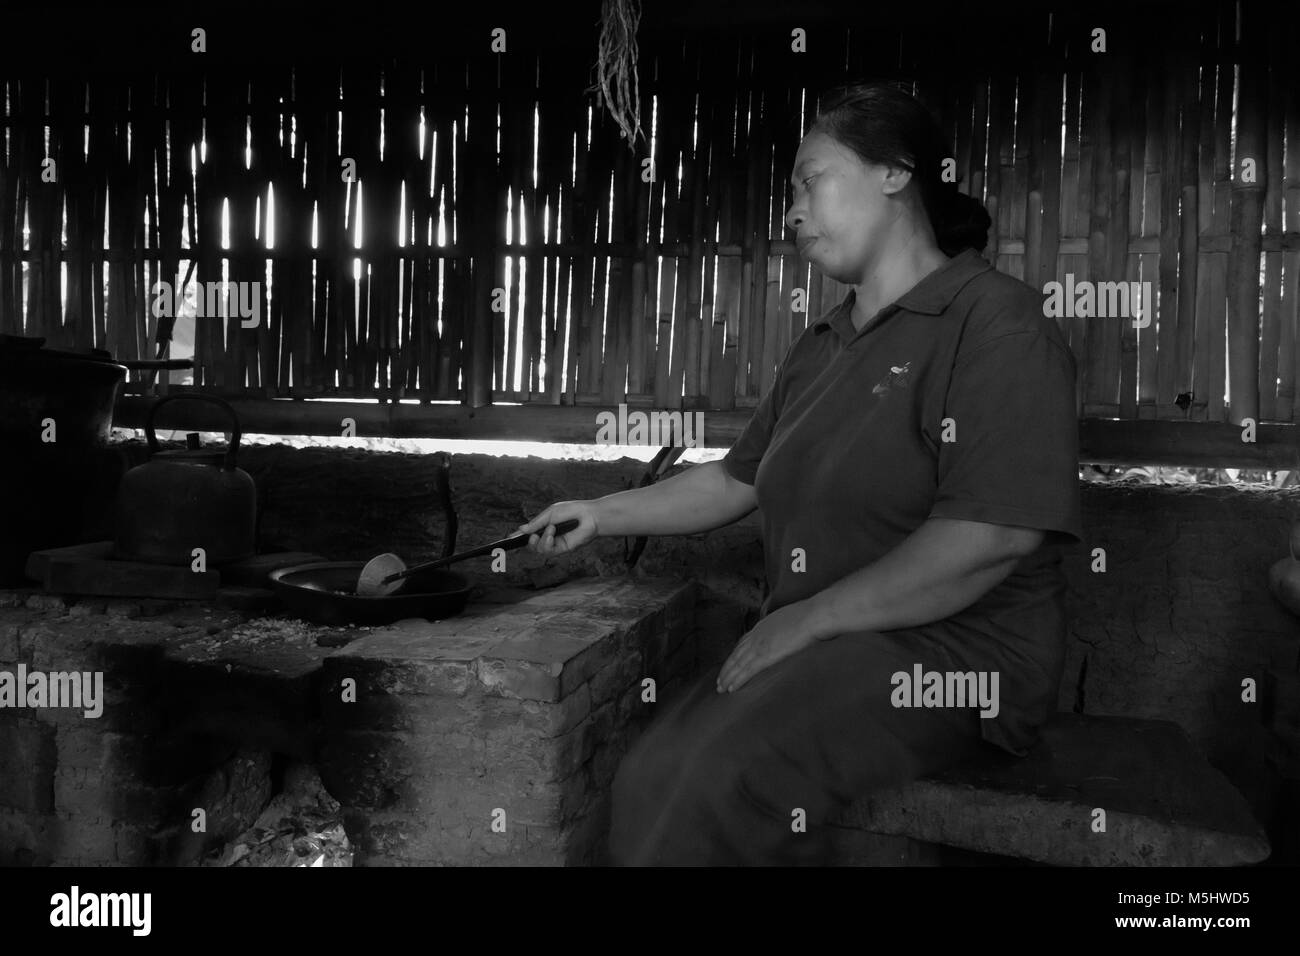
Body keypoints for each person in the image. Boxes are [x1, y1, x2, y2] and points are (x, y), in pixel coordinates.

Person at [513, 80, 1083, 866]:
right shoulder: (820, 345)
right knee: (653, 769)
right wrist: (600, 512)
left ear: (894, 173)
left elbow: (991, 535)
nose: (790, 211)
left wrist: (804, 620)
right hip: (827, 646)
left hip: (953, 659)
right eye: (790, 193)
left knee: (714, 776)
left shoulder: (996, 323)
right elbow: (734, 482)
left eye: (811, 181)